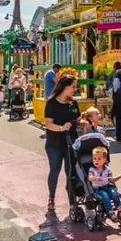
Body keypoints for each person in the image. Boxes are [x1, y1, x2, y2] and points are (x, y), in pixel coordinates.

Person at [44, 75, 80, 212]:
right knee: (55, 170)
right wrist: (61, 128)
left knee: (71, 172)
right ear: (65, 87)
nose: (75, 89)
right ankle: (51, 198)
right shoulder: (52, 103)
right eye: (73, 86)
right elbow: (48, 124)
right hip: (55, 143)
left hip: (71, 142)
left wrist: (87, 123)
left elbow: (77, 120)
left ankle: (72, 202)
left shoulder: (73, 103)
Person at [89, 145, 121, 221]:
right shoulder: (92, 169)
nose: (96, 161)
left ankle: (120, 211)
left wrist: (120, 176)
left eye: (99, 159)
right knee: (105, 195)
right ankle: (111, 212)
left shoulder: (107, 169)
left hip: (107, 187)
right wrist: (95, 178)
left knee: (114, 193)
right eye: (94, 159)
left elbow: (111, 180)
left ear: (104, 160)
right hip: (98, 189)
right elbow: (90, 178)